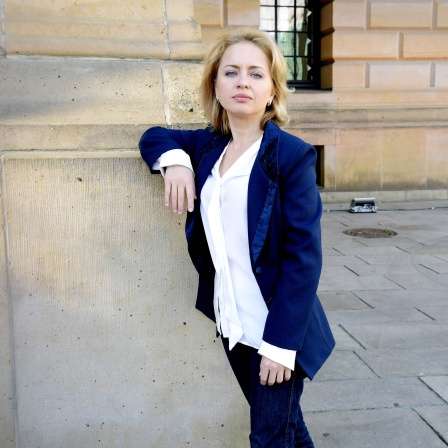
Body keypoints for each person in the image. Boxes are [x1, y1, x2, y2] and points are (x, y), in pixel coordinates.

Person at [139, 28, 335, 448]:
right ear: (216, 84)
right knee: (288, 431)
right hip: (232, 323)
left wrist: (281, 347)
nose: (242, 81)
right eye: (231, 72)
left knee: (268, 438)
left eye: (255, 74)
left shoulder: (290, 156)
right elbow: (154, 135)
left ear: (272, 90)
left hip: (275, 330)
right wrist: (175, 163)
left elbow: (304, 258)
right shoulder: (208, 146)